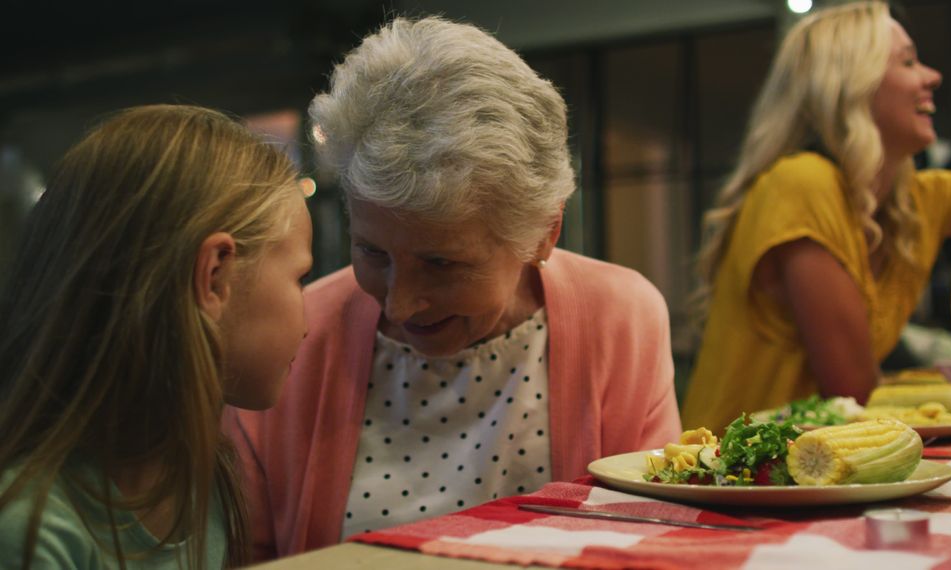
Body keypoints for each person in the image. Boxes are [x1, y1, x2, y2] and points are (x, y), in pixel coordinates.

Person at [224, 15, 681, 560]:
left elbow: (649, 536)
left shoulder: (620, 318)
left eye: (441, 263)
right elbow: (245, 554)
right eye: (372, 252)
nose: (398, 302)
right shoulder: (291, 338)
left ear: (543, 232)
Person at [681, 1, 951, 432]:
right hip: (731, 473)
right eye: (908, 62)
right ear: (852, 85)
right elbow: (855, 387)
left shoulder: (909, 201)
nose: (933, 76)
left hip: (826, 471)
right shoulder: (801, 184)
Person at [0, 105, 313, 568]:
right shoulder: (29, 529)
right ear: (214, 276)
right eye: (299, 279)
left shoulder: (191, 477)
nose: (307, 319)